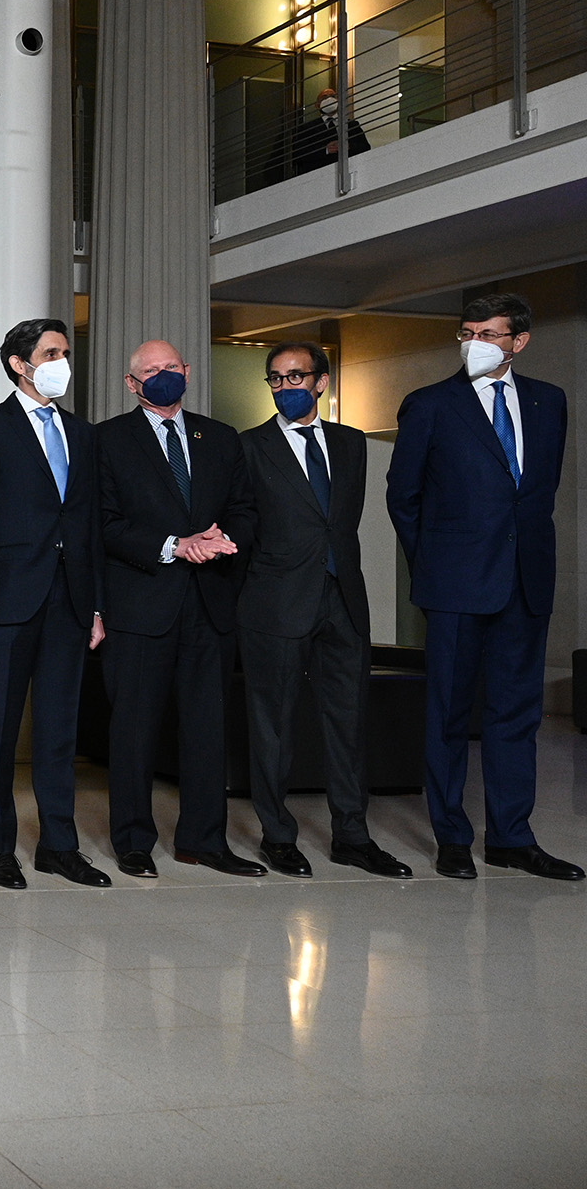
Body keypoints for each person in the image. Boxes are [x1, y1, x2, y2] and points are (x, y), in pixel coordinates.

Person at [387, 294, 581, 881]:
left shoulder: (551, 401)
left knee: (516, 716)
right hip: (454, 586)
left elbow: (535, 495)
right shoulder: (430, 405)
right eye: (468, 332)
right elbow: (405, 497)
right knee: (448, 713)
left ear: (519, 341)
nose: (475, 342)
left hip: (525, 583)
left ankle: (512, 838)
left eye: (490, 334)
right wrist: (437, 567)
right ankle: (451, 836)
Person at [238, 343, 411, 880]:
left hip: (343, 601)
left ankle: (352, 836)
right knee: (273, 726)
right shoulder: (248, 447)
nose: (285, 386)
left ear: (322, 382)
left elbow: (340, 522)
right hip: (276, 603)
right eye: (275, 378)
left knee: (349, 723)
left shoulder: (351, 443)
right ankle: (277, 835)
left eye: (296, 376)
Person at [96, 340, 263, 879]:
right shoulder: (107, 441)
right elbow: (104, 523)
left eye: (171, 367)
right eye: (150, 370)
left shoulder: (220, 438)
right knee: (134, 731)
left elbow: (244, 508)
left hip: (209, 604)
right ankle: (134, 842)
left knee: (207, 731)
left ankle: (204, 840)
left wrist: (219, 540)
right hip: (141, 606)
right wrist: (174, 544)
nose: (162, 376)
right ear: (131, 383)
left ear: (187, 372)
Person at [0, 318, 109, 890]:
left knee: (58, 729)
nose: (62, 362)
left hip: (69, 601)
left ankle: (59, 845)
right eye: (51, 353)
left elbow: (89, 523)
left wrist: (94, 604)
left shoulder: (83, 433)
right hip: (8, 601)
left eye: (65, 352)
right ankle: (0, 848)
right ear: (21, 364)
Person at [291, 87, 369, 174]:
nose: (329, 99)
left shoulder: (351, 125)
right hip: (319, 174)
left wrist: (348, 146)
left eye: (333, 96)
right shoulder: (306, 128)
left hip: (349, 171)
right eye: (324, 97)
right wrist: (326, 150)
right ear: (317, 105)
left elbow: (365, 147)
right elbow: (299, 154)